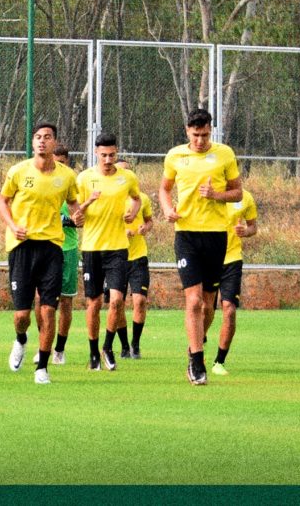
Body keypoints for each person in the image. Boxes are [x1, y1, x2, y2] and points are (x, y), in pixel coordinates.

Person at [159, 108, 242, 386]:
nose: (200, 140)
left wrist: (216, 195)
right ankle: (197, 361)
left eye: (205, 135)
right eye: (195, 135)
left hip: (217, 236)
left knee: (208, 307)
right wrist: (168, 208)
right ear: (187, 131)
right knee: (193, 301)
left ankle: (196, 342)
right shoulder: (175, 156)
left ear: (211, 130)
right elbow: (164, 188)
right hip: (187, 235)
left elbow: (238, 192)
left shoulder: (225, 154)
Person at [0, 122, 82, 385]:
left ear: (54, 143)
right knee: (22, 315)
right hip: (22, 247)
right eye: (37, 137)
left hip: (52, 248)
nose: (42, 141)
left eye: (47, 137)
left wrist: (78, 215)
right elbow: (2, 201)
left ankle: (42, 367)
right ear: (33, 143)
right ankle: (21, 340)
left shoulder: (66, 176)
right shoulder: (19, 171)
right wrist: (12, 226)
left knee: (48, 311)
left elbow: (74, 203)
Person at [76, 133, 141, 372]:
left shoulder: (127, 178)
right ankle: (93, 352)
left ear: (117, 153)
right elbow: (76, 216)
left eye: (112, 154)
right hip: (92, 248)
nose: (107, 159)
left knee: (116, 302)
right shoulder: (84, 179)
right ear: (96, 154)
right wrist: (87, 204)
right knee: (93, 304)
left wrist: (133, 213)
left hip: (118, 248)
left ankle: (107, 346)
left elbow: (136, 200)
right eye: (103, 155)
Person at [205, 188, 257, 375]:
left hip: (232, 260)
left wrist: (246, 231)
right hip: (209, 258)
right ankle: (198, 340)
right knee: (205, 308)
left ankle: (219, 361)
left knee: (230, 309)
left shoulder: (245, 197)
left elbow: (253, 227)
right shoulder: (208, 193)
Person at [115, 159, 153, 359]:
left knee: (139, 301)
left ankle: (135, 344)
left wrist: (144, 228)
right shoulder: (111, 199)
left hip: (138, 258)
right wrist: (123, 233)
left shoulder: (142, 199)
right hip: (117, 257)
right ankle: (123, 346)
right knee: (117, 303)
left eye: (126, 172)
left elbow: (149, 222)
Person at [49, 145, 79, 365]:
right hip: (46, 246)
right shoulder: (40, 180)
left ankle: (59, 348)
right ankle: (44, 344)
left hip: (67, 248)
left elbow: (81, 216)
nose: (59, 165)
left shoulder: (72, 182)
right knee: (43, 300)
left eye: (63, 162)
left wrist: (69, 220)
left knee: (66, 302)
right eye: (55, 161)